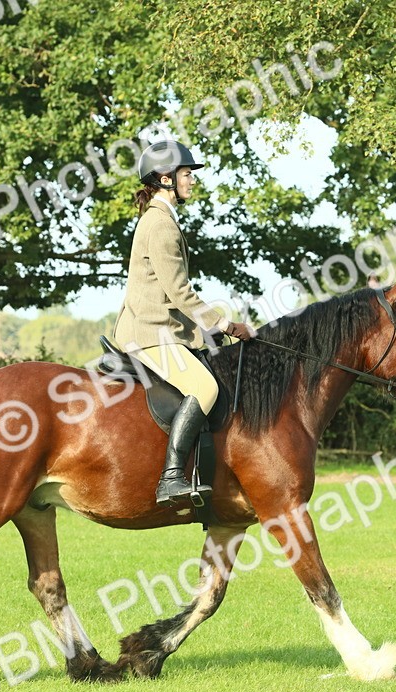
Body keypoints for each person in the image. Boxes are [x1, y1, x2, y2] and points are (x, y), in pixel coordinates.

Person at [113, 140, 254, 507]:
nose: (192, 181)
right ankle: (171, 477)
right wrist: (223, 325)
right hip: (149, 333)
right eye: (187, 174)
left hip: (161, 328)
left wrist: (204, 332)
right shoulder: (160, 224)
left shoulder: (162, 219)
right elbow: (179, 292)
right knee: (205, 388)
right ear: (165, 179)